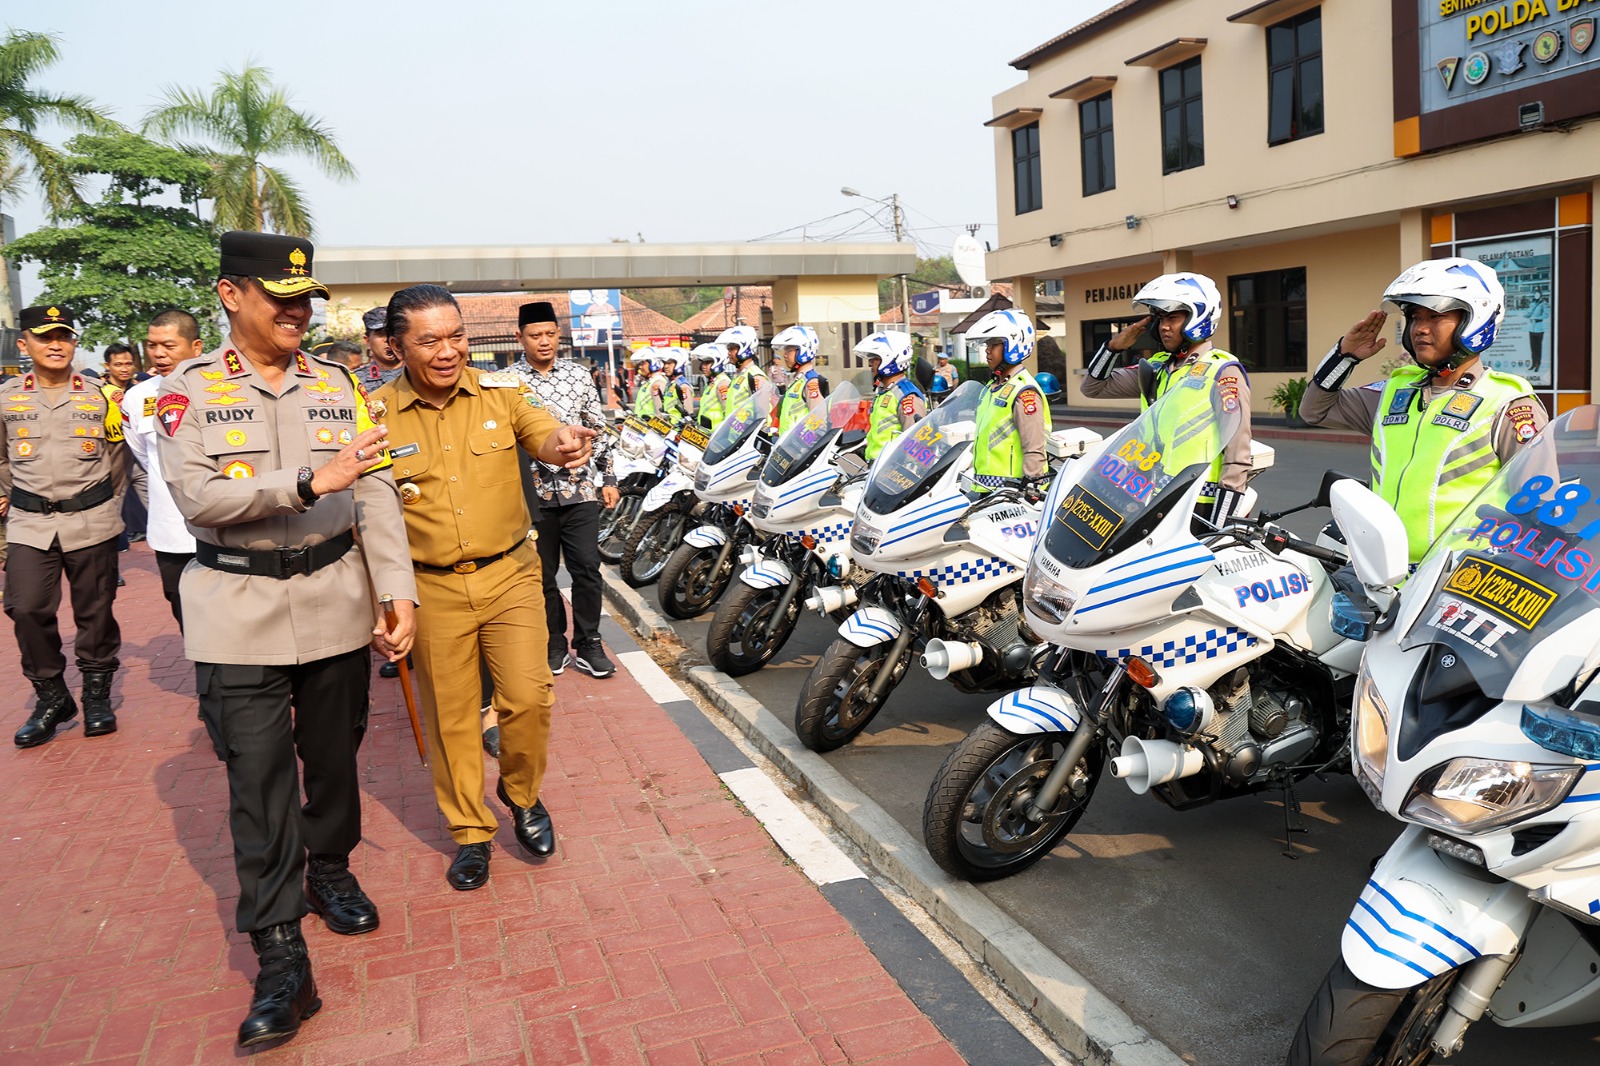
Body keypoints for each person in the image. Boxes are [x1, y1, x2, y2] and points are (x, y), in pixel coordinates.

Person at [155, 231, 418, 1048]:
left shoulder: (341, 384)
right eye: (281, 298)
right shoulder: (186, 391)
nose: (298, 312)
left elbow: (373, 490)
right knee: (259, 783)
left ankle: (330, 869)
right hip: (237, 607)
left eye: (306, 298)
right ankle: (279, 952)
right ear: (232, 296)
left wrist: (395, 587)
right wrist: (307, 481)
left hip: (338, 599)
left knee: (337, 757)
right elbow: (197, 497)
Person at [370, 285, 597, 892]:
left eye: (457, 336)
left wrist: (564, 445)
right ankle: (470, 833)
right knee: (452, 720)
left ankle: (521, 795)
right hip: (431, 589)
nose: (448, 352)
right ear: (396, 347)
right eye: (430, 341)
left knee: (530, 697)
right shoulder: (374, 414)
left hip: (511, 576)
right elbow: (370, 513)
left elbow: (543, 434)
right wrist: (387, 601)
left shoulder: (504, 392)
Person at [1299, 257, 1548, 563]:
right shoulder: (1394, 392)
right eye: (1416, 318)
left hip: (1456, 579)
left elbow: (1540, 508)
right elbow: (1314, 411)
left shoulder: (1507, 403)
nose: (1419, 329)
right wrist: (1344, 356)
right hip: (1383, 570)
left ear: (1475, 319)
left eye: (1435, 316)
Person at [1, 305, 129, 747]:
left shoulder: (101, 397)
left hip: (91, 518)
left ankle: (96, 697)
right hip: (29, 522)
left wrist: (106, 505)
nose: (56, 345)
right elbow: (2, 456)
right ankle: (52, 696)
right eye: (44, 337)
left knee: (95, 612)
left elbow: (119, 460)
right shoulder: (7, 397)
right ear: (25, 344)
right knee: (26, 607)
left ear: (75, 342)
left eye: (64, 336)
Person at [1082, 272, 1255, 524]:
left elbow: (1238, 454)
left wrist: (1219, 524)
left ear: (1198, 317)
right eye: (1161, 319)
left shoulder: (1222, 371)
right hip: (1144, 496)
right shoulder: (1157, 368)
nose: (1164, 326)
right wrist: (1113, 348)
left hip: (1194, 503)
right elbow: (1092, 388)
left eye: (1173, 318)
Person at [507, 300, 618, 680]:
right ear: (519, 337)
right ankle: (554, 639)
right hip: (532, 496)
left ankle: (589, 642)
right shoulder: (506, 382)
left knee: (588, 567)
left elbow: (599, 429)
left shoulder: (578, 375)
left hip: (580, 489)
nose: (544, 342)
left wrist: (609, 477)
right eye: (535, 335)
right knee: (542, 574)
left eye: (550, 334)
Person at [120, 309, 203, 628]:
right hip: (170, 529)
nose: (158, 353)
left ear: (196, 347)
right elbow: (143, 455)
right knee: (183, 610)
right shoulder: (137, 397)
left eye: (168, 345)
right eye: (152, 345)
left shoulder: (224, 391)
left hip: (225, 527)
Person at [964, 309, 1052, 493]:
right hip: (988, 489)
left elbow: (1034, 447)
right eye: (987, 344)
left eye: (994, 344)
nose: (987, 350)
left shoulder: (1024, 391)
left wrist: (1032, 487)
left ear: (1013, 345)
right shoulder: (993, 387)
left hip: (1014, 492)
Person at [857, 330, 927, 461]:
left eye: (876, 358)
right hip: (876, 466)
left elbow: (914, 444)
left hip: (891, 469)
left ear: (891, 359)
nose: (871, 363)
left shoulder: (906, 396)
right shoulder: (885, 391)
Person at [773, 325, 826, 434]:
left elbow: (819, 422)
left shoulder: (810, 382)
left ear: (803, 351)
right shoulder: (798, 381)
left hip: (799, 448)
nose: (785, 355)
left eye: (789, 350)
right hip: (787, 446)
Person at [718, 325, 767, 408]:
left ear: (745, 349)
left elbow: (762, 411)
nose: (729, 353)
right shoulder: (740, 375)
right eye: (728, 349)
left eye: (732, 349)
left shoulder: (755, 376)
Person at [357, 306, 404, 389]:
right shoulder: (355, 380)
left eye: (393, 332)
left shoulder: (420, 373)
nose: (388, 339)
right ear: (367, 341)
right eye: (381, 334)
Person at [693, 342, 732, 429]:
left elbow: (728, 412)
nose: (703, 366)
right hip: (706, 433)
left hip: (716, 434)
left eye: (707, 363)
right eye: (702, 363)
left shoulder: (723, 384)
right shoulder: (712, 383)